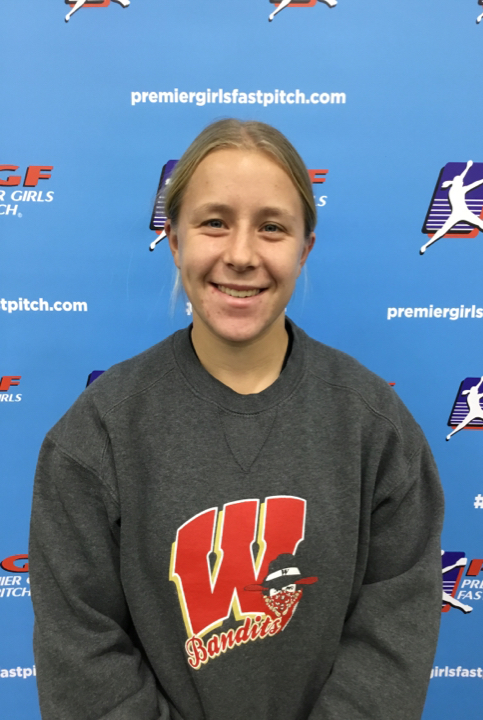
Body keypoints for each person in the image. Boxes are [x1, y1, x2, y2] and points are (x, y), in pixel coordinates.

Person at [30, 119, 444, 720]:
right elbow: (82, 656)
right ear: (175, 241)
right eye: (214, 223)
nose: (242, 255)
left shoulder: (375, 429)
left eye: (272, 227)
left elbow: (393, 637)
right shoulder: (97, 435)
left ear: (304, 249)